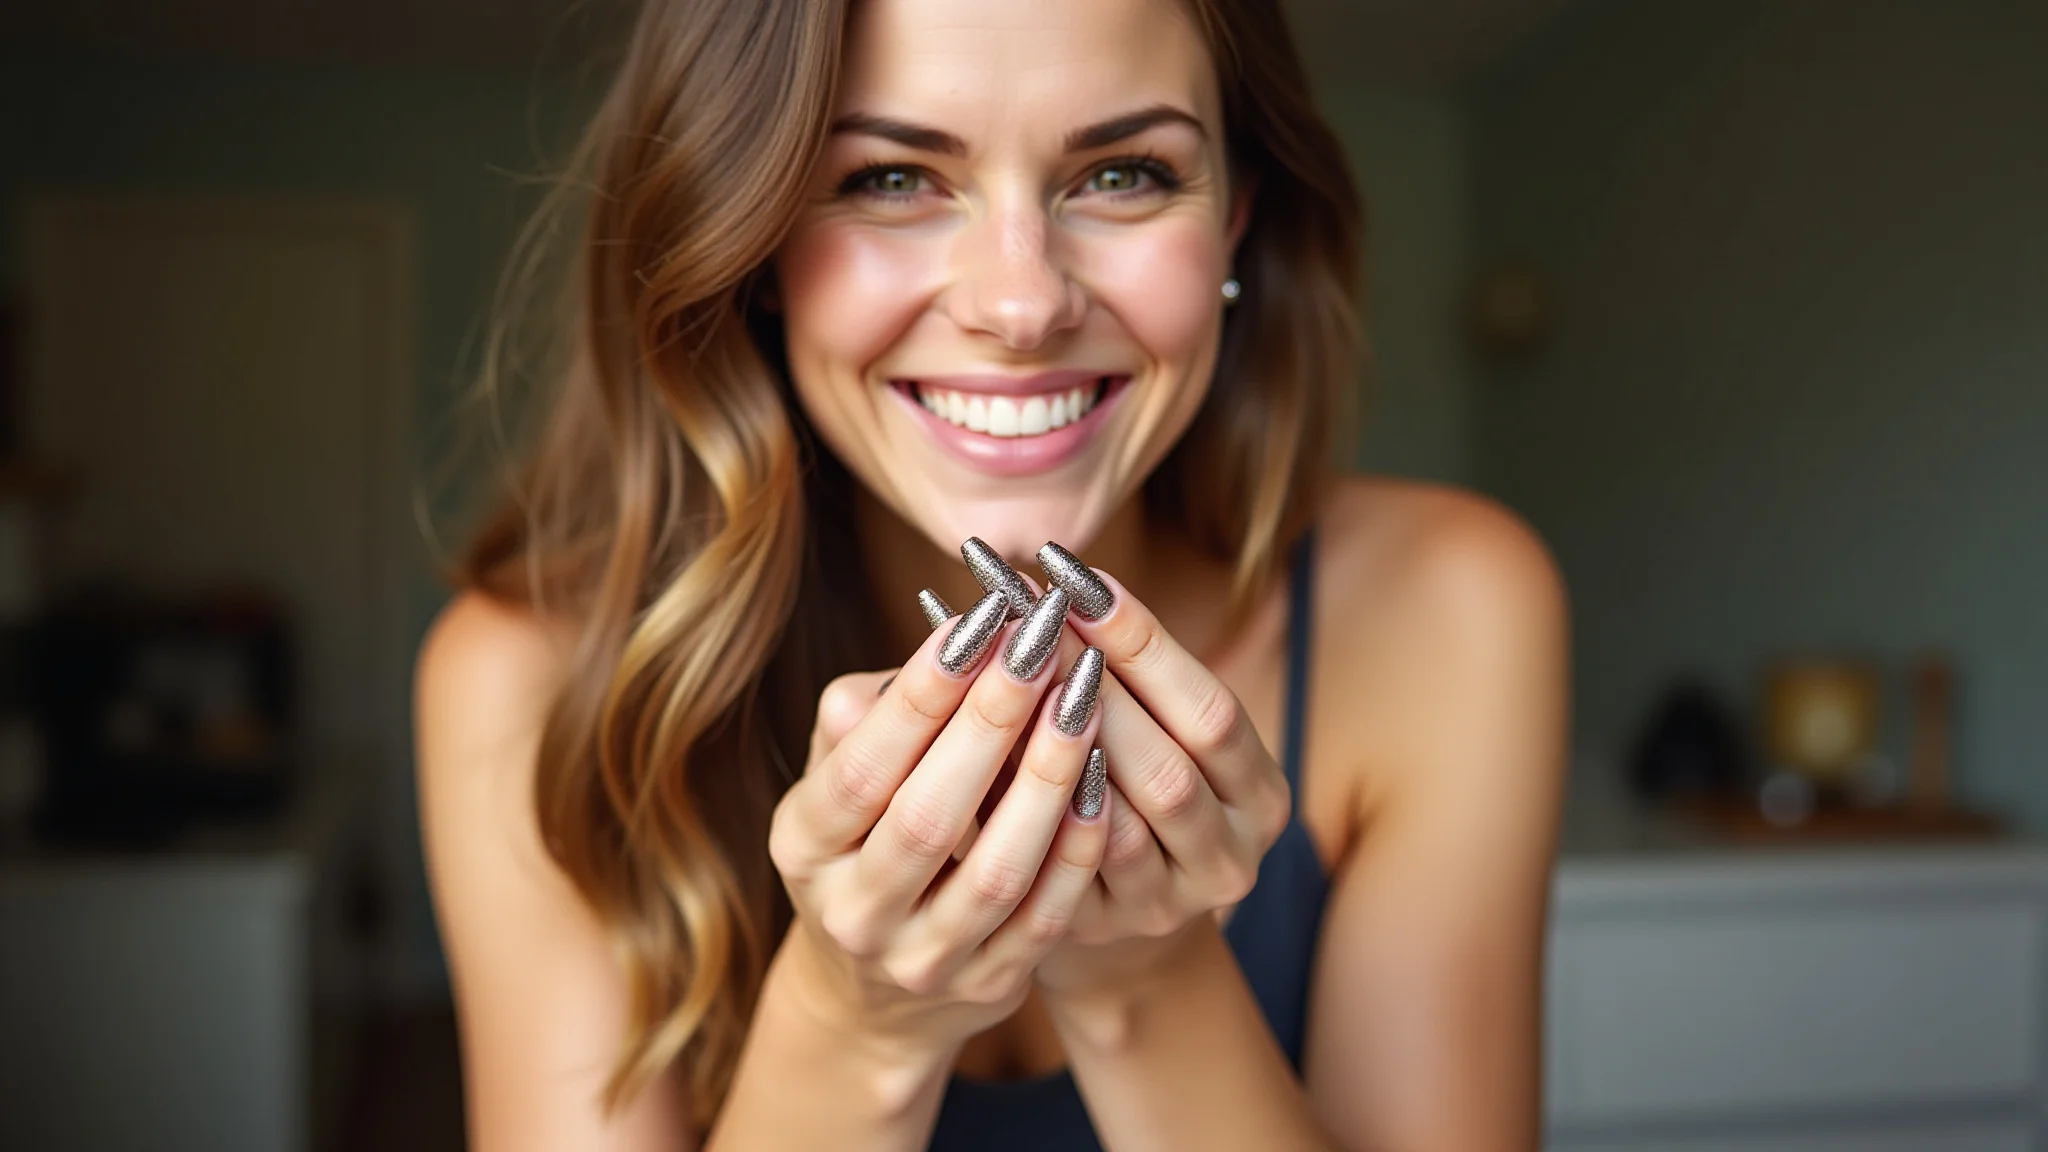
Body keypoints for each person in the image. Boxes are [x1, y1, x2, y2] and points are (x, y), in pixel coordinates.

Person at [414, 0, 1569, 1147]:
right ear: (751, 240)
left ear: (1234, 224)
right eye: (887, 179)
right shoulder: (521, 681)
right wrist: (851, 1023)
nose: (1021, 306)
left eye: (1122, 174)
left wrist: (1141, 985)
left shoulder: (1446, 607)